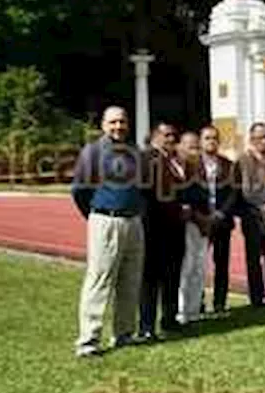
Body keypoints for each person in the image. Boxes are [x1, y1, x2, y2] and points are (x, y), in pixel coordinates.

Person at [72, 106, 145, 357]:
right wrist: (96, 216)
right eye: (113, 122)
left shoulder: (135, 152)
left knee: (130, 280)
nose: (118, 126)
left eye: (123, 122)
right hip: (106, 221)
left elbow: (142, 188)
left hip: (133, 222)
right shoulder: (92, 152)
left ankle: (124, 334)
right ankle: (88, 340)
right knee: (100, 279)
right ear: (104, 125)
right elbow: (79, 191)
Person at [140, 122, 188, 340]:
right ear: (154, 137)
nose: (171, 139)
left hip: (175, 229)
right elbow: (149, 195)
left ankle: (169, 318)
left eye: (173, 135)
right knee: (150, 278)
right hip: (155, 228)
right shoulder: (147, 159)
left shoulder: (175, 161)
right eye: (166, 135)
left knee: (172, 275)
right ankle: (147, 325)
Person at [238, 122, 265, 307]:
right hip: (252, 217)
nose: (264, 141)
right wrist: (259, 207)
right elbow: (242, 191)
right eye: (260, 137)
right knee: (254, 259)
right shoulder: (242, 161)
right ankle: (257, 297)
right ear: (251, 139)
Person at [175, 131, 212, 325]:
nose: (195, 151)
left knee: (199, 268)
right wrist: (197, 218)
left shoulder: (201, 170)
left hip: (203, 226)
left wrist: (207, 220)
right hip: (188, 225)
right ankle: (181, 311)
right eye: (191, 147)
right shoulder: (179, 172)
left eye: (197, 147)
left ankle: (194, 309)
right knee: (186, 268)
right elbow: (181, 201)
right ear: (180, 148)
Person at [200, 124, 238, 313]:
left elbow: (233, 193)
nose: (211, 141)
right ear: (201, 141)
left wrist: (221, 213)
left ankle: (219, 303)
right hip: (200, 221)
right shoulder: (192, 165)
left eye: (214, 138)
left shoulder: (228, 165)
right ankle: (197, 302)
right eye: (207, 138)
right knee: (198, 263)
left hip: (222, 220)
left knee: (221, 263)